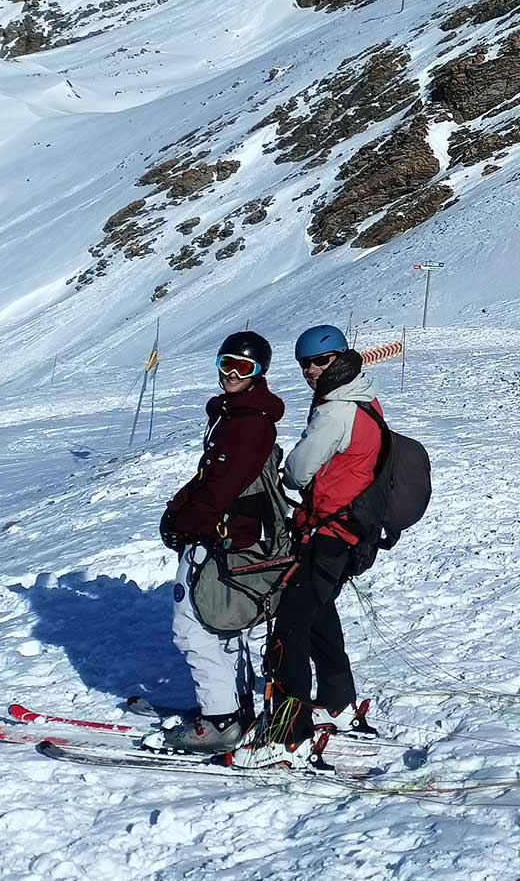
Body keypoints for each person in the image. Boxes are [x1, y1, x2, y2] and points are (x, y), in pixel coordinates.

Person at [254, 324, 383, 756]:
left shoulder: (336, 410)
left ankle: (288, 736)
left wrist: (288, 475)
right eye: (305, 364)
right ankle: (337, 702)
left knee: (290, 625)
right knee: (318, 614)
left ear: (341, 358)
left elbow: (299, 469)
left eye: (320, 361)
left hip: (329, 532)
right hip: (349, 533)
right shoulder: (364, 398)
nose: (311, 370)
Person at [157, 330, 285, 752]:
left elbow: (222, 489)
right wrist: (179, 508)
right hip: (223, 535)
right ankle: (233, 706)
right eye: (224, 364)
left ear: (259, 372)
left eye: (242, 367)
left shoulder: (247, 423)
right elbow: (209, 478)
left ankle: (221, 719)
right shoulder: (234, 415)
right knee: (223, 623)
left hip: (225, 539)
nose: (231, 374)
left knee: (193, 625)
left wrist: (187, 524)